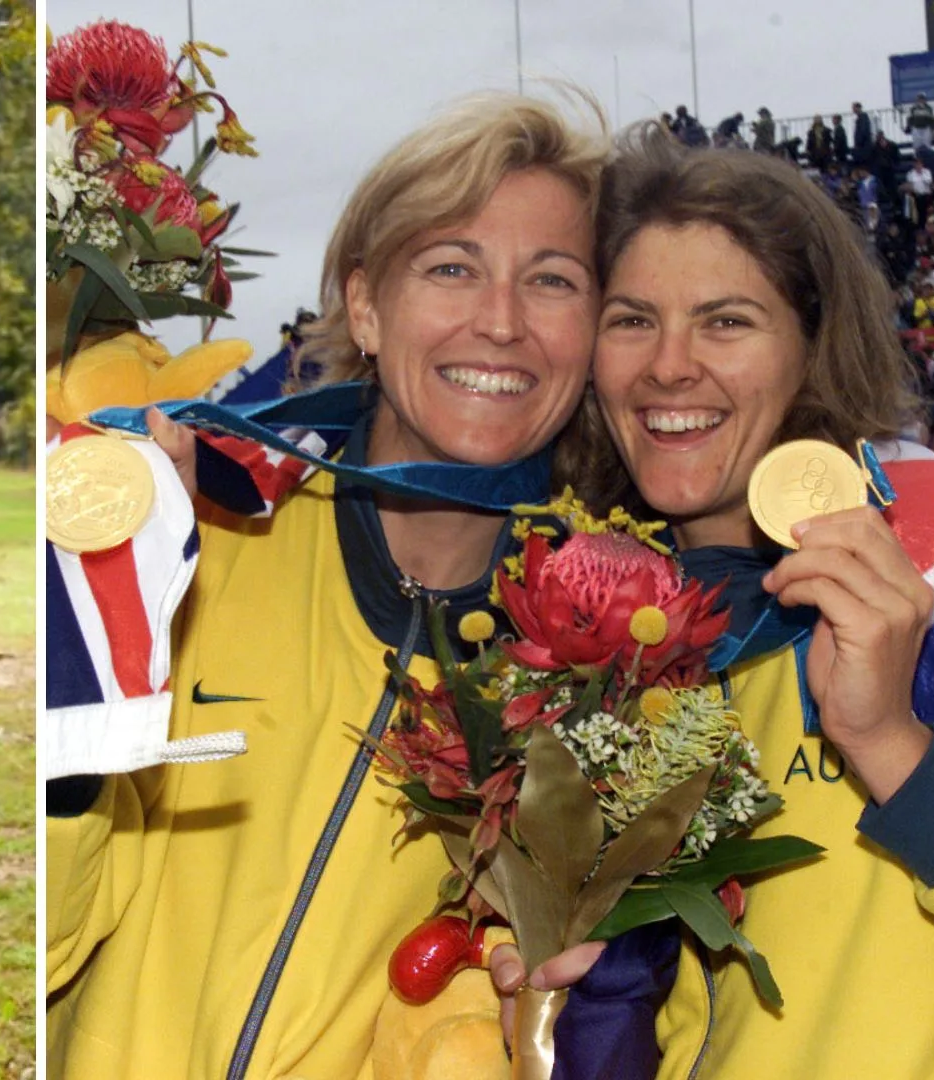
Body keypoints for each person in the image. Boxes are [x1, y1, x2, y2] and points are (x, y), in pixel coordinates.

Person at [46, 92, 611, 1076]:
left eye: (553, 280)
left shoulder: (600, 658)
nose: (502, 321)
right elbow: (47, 942)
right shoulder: (200, 527)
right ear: (364, 308)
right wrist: (88, 695)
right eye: (451, 267)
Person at [572, 129, 934, 1077]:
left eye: (726, 322)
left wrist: (892, 745)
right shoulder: (597, 621)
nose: (670, 366)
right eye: (632, 318)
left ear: (811, 348)